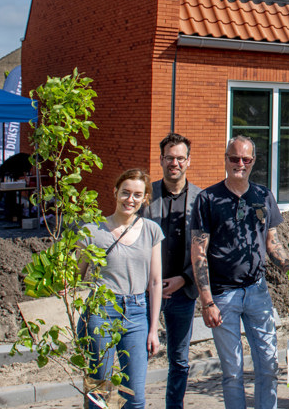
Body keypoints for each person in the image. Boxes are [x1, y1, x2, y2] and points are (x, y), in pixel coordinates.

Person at [190, 136, 289, 409]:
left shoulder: (263, 195)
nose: (240, 164)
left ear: (253, 162)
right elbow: (199, 252)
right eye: (235, 158)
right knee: (232, 371)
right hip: (223, 296)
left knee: (269, 365)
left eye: (246, 159)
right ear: (225, 159)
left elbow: (273, 242)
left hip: (257, 291)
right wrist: (207, 300)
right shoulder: (208, 199)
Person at [81, 168, 163, 409]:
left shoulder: (151, 230)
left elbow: (155, 282)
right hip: (100, 313)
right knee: (99, 392)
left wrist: (154, 327)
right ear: (115, 192)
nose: (131, 199)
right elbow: (76, 275)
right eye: (126, 193)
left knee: (134, 397)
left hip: (137, 313)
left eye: (138, 195)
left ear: (145, 198)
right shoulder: (93, 231)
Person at [144, 133, 203, 409]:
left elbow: (208, 250)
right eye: (170, 158)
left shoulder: (202, 200)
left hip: (182, 292)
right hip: (145, 292)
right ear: (161, 160)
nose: (175, 163)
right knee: (136, 355)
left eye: (180, 158)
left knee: (179, 361)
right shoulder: (145, 196)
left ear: (188, 161)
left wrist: (184, 279)